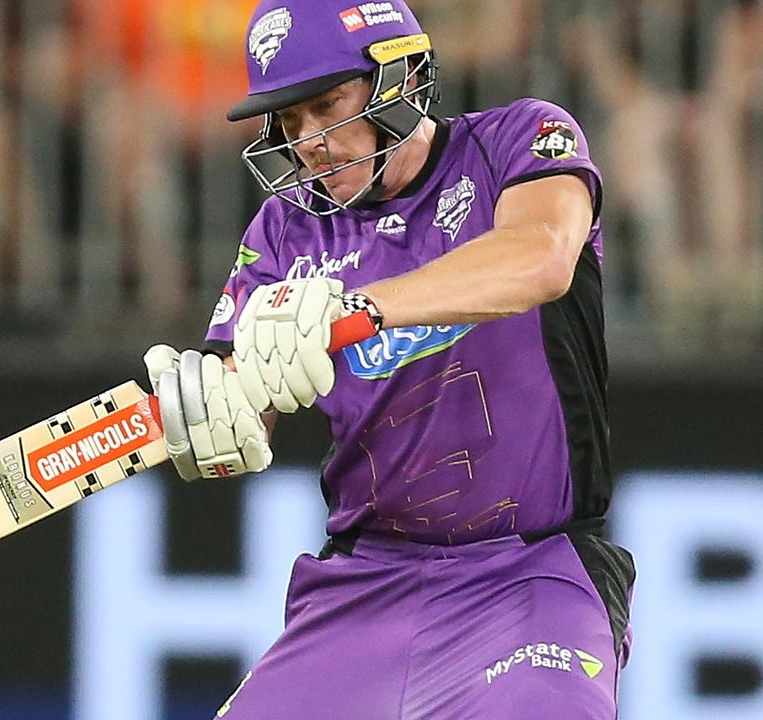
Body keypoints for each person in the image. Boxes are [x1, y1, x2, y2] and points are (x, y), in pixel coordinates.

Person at [143, 1, 635, 717]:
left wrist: (358, 308)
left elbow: (541, 258)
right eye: (288, 120)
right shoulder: (286, 228)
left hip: (533, 572)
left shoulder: (519, 139)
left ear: (396, 76)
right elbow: (243, 394)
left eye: (325, 106)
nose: (308, 141)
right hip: (363, 585)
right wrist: (212, 409)